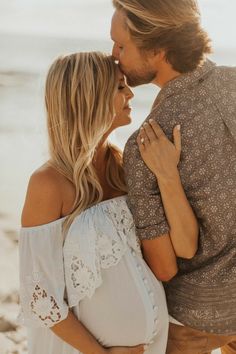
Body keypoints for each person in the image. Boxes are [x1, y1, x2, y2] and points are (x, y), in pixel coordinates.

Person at [18, 51, 199, 354]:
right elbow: (40, 297)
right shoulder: (48, 184)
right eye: (119, 87)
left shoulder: (125, 167)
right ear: (90, 97)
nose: (130, 93)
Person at [110, 0, 236, 353]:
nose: (114, 55)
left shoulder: (145, 145)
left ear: (159, 49)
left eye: (122, 45)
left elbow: (163, 268)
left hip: (194, 318)